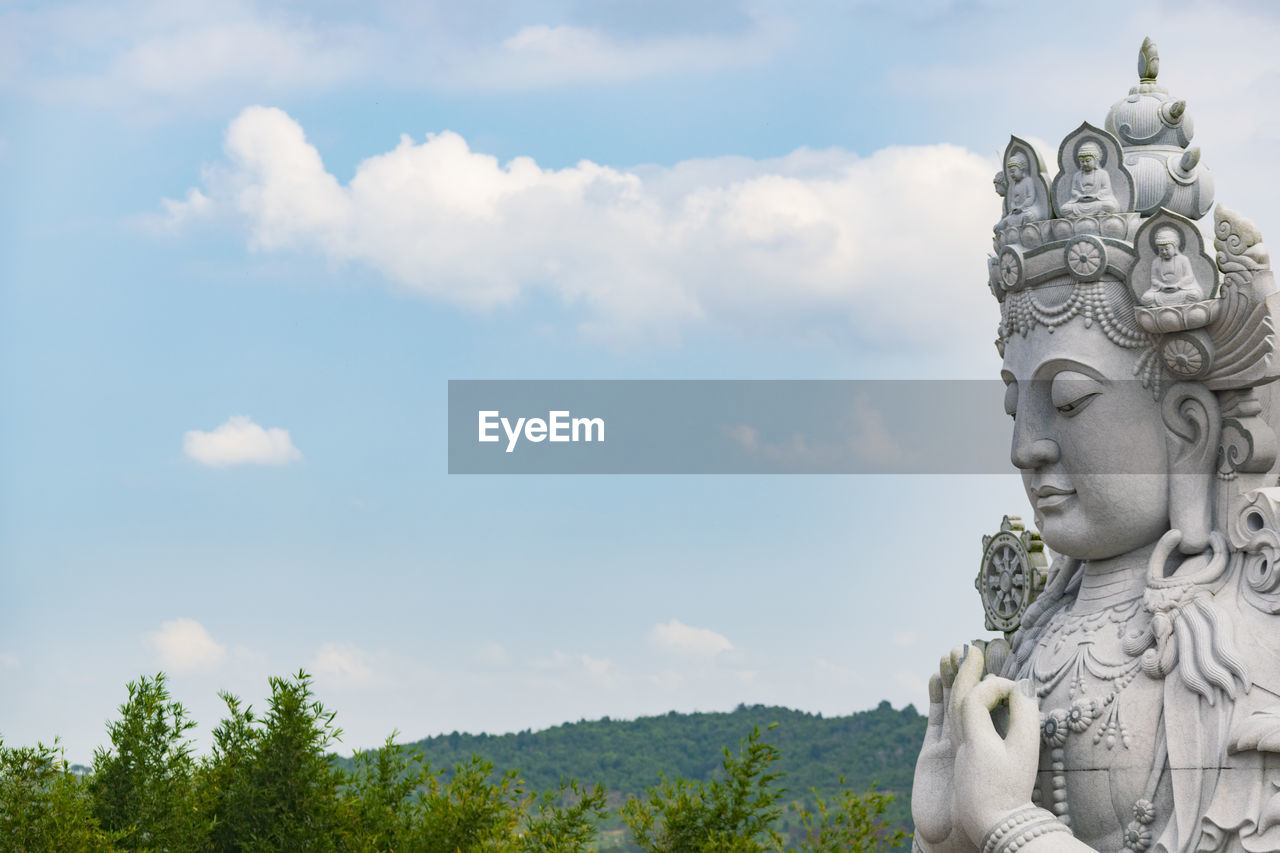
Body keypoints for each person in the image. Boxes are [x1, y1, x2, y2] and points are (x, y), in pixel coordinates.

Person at [912, 159, 1280, 853]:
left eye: (1070, 402)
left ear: (1190, 428)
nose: (1027, 448)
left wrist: (1006, 823)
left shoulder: (1244, 648)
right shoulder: (1032, 645)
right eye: (1016, 407)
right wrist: (944, 831)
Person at [1140, 227, 1201, 306]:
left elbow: (1189, 277)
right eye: (1161, 250)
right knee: (1146, 298)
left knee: (1194, 295)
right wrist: (1162, 286)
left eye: (1167, 249)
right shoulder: (1156, 262)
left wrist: (1178, 285)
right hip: (1162, 292)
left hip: (1180, 290)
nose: (1164, 252)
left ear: (1175, 247)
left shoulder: (1183, 259)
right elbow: (1154, 279)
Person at [1058, 141, 1119, 217]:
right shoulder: (1077, 175)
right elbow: (1074, 190)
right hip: (1081, 202)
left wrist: (1096, 196)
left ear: (1096, 160)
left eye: (1088, 160)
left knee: (1110, 206)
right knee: (1065, 209)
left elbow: (1106, 189)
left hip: (1097, 201)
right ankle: (1096, 215)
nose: (1085, 164)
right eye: (1082, 161)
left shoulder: (1103, 174)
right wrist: (1079, 196)